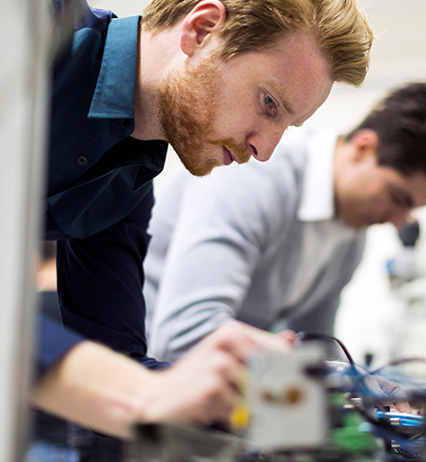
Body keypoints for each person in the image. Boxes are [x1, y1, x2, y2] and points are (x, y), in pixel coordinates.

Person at [33, 0, 373, 441]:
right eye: (268, 103)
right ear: (202, 29)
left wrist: (299, 393)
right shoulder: (36, 25)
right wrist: (130, 391)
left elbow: (116, 362)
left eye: (287, 126)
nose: (265, 149)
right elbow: (124, 387)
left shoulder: (126, 185)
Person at [144, 82, 426, 363]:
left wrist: (363, 386)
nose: (399, 221)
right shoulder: (257, 174)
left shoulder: (350, 237)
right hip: (135, 387)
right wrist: (334, 377)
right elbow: (183, 336)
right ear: (363, 147)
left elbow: (316, 347)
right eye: (399, 198)